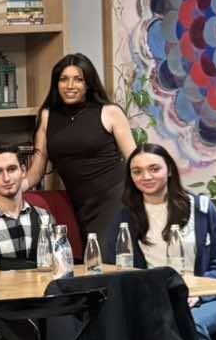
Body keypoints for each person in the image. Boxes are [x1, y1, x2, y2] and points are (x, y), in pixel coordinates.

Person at [107, 144, 216, 340]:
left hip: (210, 298)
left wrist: (198, 294)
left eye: (154, 169)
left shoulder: (200, 209)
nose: (146, 176)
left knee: (190, 324)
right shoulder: (126, 216)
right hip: (157, 297)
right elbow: (115, 266)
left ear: (169, 170)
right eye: (137, 171)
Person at [25, 53, 137, 246]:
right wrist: (13, 187)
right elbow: (36, 171)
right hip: (80, 204)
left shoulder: (110, 112)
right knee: (91, 257)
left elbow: (136, 161)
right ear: (56, 83)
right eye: (64, 79)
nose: (70, 86)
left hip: (116, 196)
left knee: (104, 255)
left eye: (78, 79)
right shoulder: (47, 116)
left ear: (88, 84)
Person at [0, 143, 57, 270]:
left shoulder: (44, 217)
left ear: (23, 171)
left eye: (12, 169)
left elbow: (58, 266)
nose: (6, 178)